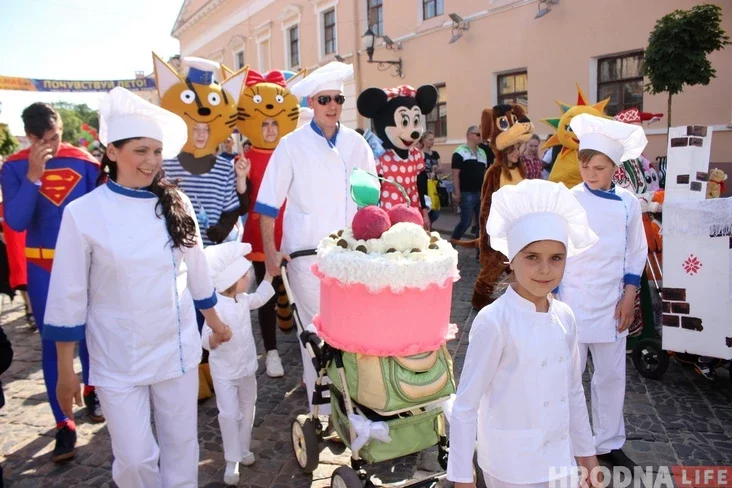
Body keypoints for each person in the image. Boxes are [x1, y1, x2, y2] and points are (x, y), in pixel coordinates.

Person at [45, 87, 233, 488]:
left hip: (177, 349)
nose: (151, 162)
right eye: (140, 151)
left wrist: (215, 323)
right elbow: (68, 295)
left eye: (156, 152)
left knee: (182, 446)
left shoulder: (176, 202)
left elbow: (197, 272)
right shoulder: (83, 214)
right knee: (135, 459)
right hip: (118, 357)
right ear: (112, 152)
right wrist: (66, 371)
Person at [448, 179, 601, 488]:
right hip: (511, 465)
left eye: (556, 258)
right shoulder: (495, 322)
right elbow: (466, 405)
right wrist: (463, 477)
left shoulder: (565, 317)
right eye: (532, 257)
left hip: (560, 460)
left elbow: (572, 390)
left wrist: (586, 454)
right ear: (511, 259)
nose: (545, 270)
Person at [255, 61, 376, 414]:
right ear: (312, 102)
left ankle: (354, 406)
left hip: (352, 255)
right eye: (325, 99)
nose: (333, 106)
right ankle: (322, 410)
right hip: (307, 258)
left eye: (338, 99)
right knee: (316, 334)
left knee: (352, 333)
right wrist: (271, 252)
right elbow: (267, 205)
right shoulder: (291, 146)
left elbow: (371, 200)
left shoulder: (357, 144)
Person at [0, 102, 103, 462]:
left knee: (93, 333)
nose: (54, 145)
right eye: (45, 140)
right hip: (43, 269)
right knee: (52, 343)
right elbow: (15, 220)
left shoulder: (85, 162)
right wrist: (33, 174)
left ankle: (93, 389)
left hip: (86, 265)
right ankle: (63, 423)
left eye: (57, 137)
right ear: (30, 137)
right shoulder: (14, 167)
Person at [557, 113, 648, 470]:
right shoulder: (569, 200)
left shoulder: (628, 204)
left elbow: (636, 250)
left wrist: (629, 295)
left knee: (610, 376)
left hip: (612, 303)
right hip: (573, 299)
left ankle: (608, 442)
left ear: (614, 169)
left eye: (598, 168)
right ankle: (570, 442)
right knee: (569, 374)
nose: (590, 174)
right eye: (585, 167)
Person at [201, 241, 275, 485]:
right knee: (229, 414)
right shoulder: (214, 309)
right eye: (246, 275)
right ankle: (231, 459)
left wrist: (271, 276)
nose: (249, 278)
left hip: (247, 369)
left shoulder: (243, 300)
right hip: (224, 372)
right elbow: (204, 340)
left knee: (247, 409)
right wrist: (216, 337)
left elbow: (261, 298)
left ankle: (243, 449)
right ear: (232, 281)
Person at [451, 126, 488, 242]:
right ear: (469, 135)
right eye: (478, 134)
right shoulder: (459, 152)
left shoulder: (483, 152)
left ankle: (479, 253)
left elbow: (485, 172)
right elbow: (455, 174)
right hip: (467, 193)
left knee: (481, 224)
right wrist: (457, 192)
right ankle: (452, 244)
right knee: (465, 222)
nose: (481, 137)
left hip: (480, 193)